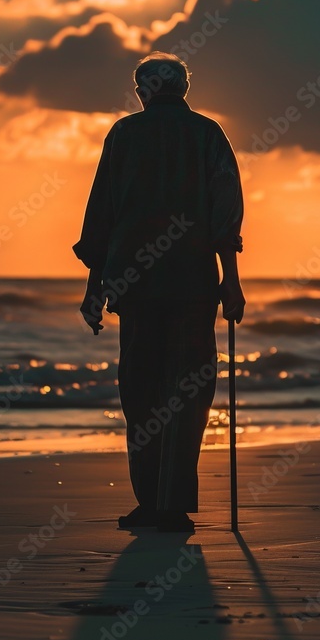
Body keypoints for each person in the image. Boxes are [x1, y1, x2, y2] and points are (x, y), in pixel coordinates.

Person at [73, 52, 245, 532]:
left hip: (135, 284)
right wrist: (230, 280)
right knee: (188, 391)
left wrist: (94, 287)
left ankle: (150, 504)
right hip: (193, 282)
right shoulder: (208, 133)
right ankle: (172, 505)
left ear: (142, 90)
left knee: (141, 392)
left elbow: (102, 215)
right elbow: (224, 211)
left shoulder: (124, 134)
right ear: (184, 89)